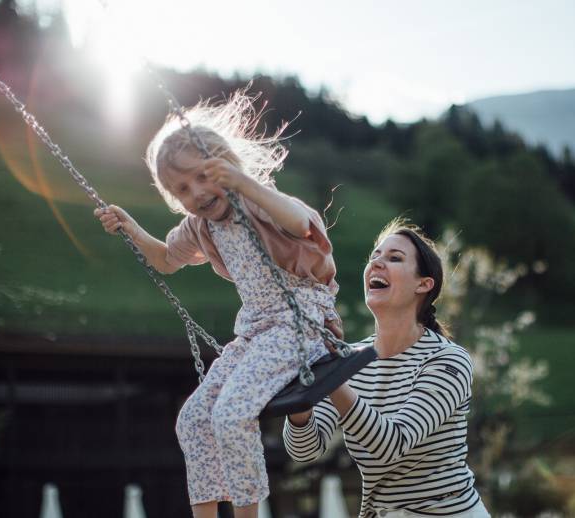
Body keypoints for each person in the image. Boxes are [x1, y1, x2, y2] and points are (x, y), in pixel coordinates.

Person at [95, 91, 340, 518]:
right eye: (181, 190)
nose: (195, 195)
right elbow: (167, 260)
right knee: (192, 419)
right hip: (256, 332)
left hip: (302, 323)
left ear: (223, 165)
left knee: (232, 414)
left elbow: (302, 224)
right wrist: (131, 228)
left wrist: (243, 183)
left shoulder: (255, 201)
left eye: (200, 178)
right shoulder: (200, 226)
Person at [284, 219, 492, 518]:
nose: (377, 263)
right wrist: (302, 396)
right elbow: (305, 450)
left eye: (394, 258)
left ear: (424, 284)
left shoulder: (448, 361)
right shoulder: (350, 362)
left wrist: (330, 376)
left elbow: (392, 445)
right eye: (375, 257)